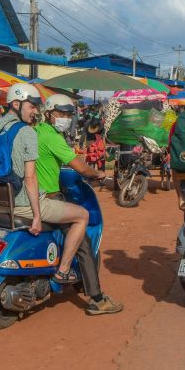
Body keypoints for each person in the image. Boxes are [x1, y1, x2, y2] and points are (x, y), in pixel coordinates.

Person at [36, 94, 122, 315]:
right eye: (60, 114)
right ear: (48, 114)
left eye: (68, 115)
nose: (64, 118)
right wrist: (98, 174)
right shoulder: (53, 138)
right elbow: (81, 168)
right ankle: (96, 299)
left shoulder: (35, 131)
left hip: (31, 197)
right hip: (50, 198)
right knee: (83, 241)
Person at [0, 82, 44, 235]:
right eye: (32, 107)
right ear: (16, 104)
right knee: (81, 215)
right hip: (23, 205)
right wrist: (37, 216)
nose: (35, 111)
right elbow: (30, 178)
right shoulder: (27, 132)